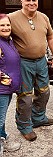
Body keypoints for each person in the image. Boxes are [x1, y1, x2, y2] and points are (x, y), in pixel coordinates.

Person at [8, 0, 53, 142]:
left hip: (42, 61)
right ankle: (24, 126)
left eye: (34, 0)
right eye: (28, 0)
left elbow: (51, 37)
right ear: (21, 1)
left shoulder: (43, 17)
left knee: (44, 92)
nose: (31, 2)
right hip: (23, 63)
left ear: (37, 1)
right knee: (25, 96)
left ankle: (38, 118)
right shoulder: (11, 18)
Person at [0, 14, 21, 155]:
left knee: (2, 117)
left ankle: (2, 136)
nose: (6, 27)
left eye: (8, 25)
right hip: (1, 88)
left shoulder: (8, 41)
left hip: (8, 88)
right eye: (2, 25)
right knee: (0, 117)